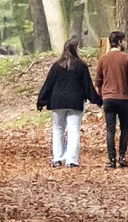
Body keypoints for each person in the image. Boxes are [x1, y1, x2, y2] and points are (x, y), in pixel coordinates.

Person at [36, 38, 95, 167]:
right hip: (75, 102)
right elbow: (88, 86)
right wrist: (97, 99)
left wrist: (41, 100)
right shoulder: (81, 66)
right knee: (73, 131)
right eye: (78, 47)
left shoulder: (57, 66)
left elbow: (48, 84)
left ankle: (57, 158)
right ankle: (72, 160)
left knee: (58, 129)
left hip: (57, 102)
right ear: (75, 49)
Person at [91, 29, 128, 168]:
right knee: (124, 128)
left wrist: (99, 97)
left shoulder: (103, 59)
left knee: (110, 129)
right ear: (119, 42)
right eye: (124, 40)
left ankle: (111, 159)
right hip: (123, 98)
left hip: (108, 98)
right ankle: (122, 157)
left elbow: (98, 81)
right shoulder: (127, 58)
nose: (125, 43)